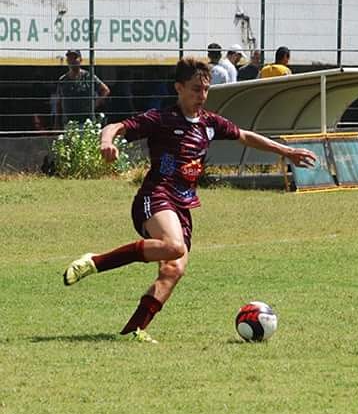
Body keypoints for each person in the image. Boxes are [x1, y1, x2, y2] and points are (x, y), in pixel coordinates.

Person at [62, 57, 317, 343]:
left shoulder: (209, 123)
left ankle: (134, 330)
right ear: (179, 88)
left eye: (206, 89)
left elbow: (244, 135)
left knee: (174, 268)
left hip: (183, 206)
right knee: (174, 246)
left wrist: (287, 151)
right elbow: (114, 127)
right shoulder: (161, 119)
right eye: (196, 89)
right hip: (156, 195)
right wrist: (106, 143)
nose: (202, 96)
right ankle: (95, 261)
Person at [55, 49, 111, 127]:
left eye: (75, 58)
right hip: (69, 122)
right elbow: (59, 101)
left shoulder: (89, 76)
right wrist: (57, 121)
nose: (72, 61)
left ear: (80, 60)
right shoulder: (63, 80)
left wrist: (95, 104)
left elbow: (105, 90)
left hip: (86, 121)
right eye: (70, 58)